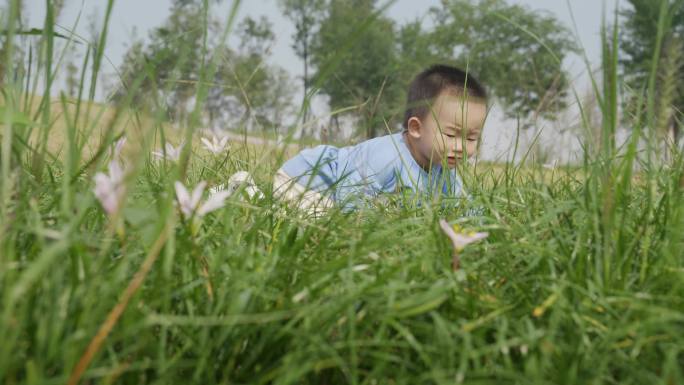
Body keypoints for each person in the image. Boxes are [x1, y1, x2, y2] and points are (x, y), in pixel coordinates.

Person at [274, 64, 488, 215]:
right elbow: (350, 198)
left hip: (331, 193)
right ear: (416, 128)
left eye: (471, 138)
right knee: (325, 217)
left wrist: (483, 222)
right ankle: (248, 190)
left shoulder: (445, 172)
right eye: (451, 134)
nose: (460, 147)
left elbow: (462, 205)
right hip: (306, 181)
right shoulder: (387, 156)